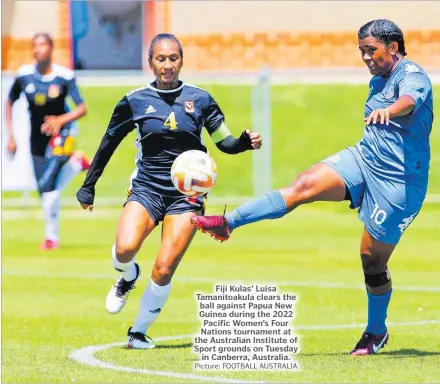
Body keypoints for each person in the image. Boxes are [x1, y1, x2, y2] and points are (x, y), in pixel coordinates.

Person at [191, 19, 434, 355]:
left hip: (400, 184)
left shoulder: (413, 75)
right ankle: (228, 222)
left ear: (393, 48)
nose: (365, 57)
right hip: (365, 159)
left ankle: (376, 332)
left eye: (371, 50)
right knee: (302, 185)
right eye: (361, 50)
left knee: (371, 261)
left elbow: (409, 100)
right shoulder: (379, 76)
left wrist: (389, 111)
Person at [76, 33, 262, 349]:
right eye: (160, 59)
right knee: (124, 249)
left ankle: (138, 331)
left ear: (181, 60)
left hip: (187, 195)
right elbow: (109, 142)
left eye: (173, 58)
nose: (167, 65)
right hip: (147, 188)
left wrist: (243, 143)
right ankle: (128, 276)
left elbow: (224, 142)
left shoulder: (201, 99)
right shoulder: (134, 100)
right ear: (151, 63)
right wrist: (88, 186)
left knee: (164, 267)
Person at [6, 33, 90, 250]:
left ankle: (51, 238)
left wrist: (60, 120)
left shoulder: (64, 77)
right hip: (36, 140)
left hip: (63, 134)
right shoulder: (24, 76)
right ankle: (76, 163)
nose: (37, 49)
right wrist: (11, 135)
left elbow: (82, 108)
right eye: (34, 45)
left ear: (51, 48)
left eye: (42, 45)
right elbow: (9, 102)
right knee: (45, 189)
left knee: (49, 185)